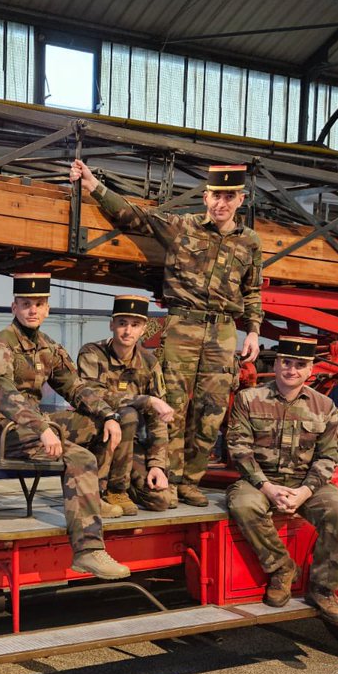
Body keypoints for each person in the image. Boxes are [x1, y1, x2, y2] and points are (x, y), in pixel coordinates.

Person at [70, 159, 262, 509]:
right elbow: (136, 217)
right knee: (173, 405)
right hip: (183, 325)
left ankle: (190, 481)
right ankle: (168, 479)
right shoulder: (182, 227)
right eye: (216, 195)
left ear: (240, 199)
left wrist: (253, 331)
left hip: (223, 331)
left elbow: (252, 290)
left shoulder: (249, 241)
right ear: (205, 197)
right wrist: (94, 186)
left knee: (211, 411)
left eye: (229, 196)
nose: (221, 203)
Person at [0, 272, 130, 580]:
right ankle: (88, 551)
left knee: (99, 425)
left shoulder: (47, 346)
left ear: (47, 309)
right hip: (4, 430)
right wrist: (42, 428)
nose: (32, 310)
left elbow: (74, 386)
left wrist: (108, 415)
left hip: (38, 425)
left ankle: (92, 498)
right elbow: (3, 395)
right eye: (26, 304)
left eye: (38, 304)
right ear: (14, 307)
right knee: (81, 458)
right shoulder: (1, 345)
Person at [224, 336, 338, 625]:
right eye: (286, 362)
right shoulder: (249, 399)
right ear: (276, 364)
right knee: (243, 505)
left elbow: (328, 457)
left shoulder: (324, 406)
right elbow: (239, 448)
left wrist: (304, 492)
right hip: (260, 480)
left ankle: (323, 588)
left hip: (306, 482)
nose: (292, 370)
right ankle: (282, 568)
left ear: (310, 370)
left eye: (300, 365)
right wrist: (267, 488)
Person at [76, 294, 173, 515]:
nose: (128, 331)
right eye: (122, 323)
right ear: (112, 325)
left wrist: (157, 465)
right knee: (128, 414)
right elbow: (91, 393)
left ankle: (124, 485)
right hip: (97, 437)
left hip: (129, 446)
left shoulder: (149, 363)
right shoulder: (92, 353)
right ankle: (112, 490)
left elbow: (158, 420)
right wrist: (146, 400)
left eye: (135, 325)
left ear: (143, 329)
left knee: (161, 500)